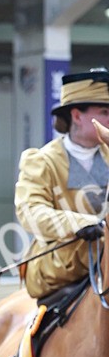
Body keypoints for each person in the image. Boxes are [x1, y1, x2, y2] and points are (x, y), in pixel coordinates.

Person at [17, 68, 109, 300]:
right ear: (77, 116)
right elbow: (30, 212)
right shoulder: (41, 160)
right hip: (61, 264)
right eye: (105, 112)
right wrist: (80, 223)